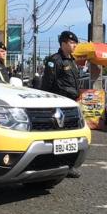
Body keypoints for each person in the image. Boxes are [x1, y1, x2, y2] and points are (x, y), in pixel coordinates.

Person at [41, 30, 82, 178]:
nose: (74, 45)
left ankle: (68, 165)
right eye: (71, 43)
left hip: (71, 104)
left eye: (75, 43)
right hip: (58, 105)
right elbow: (47, 84)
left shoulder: (71, 60)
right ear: (63, 44)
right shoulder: (55, 60)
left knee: (71, 138)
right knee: (58, 139)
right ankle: (54, 165)